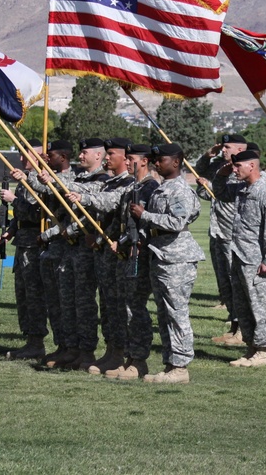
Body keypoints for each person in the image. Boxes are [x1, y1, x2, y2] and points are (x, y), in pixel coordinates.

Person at [201, 149, 266, 367]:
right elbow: (219, 193)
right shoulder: (241, 189)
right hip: (239, 255)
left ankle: (264, 351)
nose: (234, 170)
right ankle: (251, 348)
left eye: (238, 166)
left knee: (259, 306)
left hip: (256, 261)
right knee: (242, 305)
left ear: (252, 166)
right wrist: (221, 173)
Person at [133, 144, 204, 384]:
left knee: (176, 313)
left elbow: (176, 222)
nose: (156, 163)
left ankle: (180, 366)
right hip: (161, 254)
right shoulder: (162, 188)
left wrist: (145, 215)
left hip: (177, 258)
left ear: (176, 162)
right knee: (164, 314)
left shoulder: (179, 190)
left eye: (161, 159)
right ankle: (170, 364)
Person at [67, 138, 135, 375]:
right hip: (104, 251)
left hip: (120, 252)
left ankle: (124, 355)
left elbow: (110, 205)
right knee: (107, 306)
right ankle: (111, 352)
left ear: (126, 158)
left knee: (120, 306)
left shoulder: (129, 184)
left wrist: (83, 198)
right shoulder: (112, 182)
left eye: (111, 154)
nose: (107, 158)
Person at [55, 138, 110, 371]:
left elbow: (92, 211)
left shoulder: (102, 180)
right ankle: (72, 348)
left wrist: (73, 229)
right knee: (69, 301)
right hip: (71, 248)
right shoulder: (79, 176)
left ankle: (87, 351)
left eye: (84, 152)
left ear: (98, 155)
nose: (80, 156)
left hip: (87, 247)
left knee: (85, 302)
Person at [107, 143, 160, 381]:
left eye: (131, 159)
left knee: (135, 309)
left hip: (139, 256)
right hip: (125, 255)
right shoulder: (132, 188)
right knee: (123, 308)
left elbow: (148, 226)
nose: (126, 162)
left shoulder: (151, 188)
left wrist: (128, 242)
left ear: (144, 161)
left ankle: (139, 360)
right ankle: (127, 357)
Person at [23, 140, 77, 367]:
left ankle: (71, 348)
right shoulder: (53, 174)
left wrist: (34, 173)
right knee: (54, 303)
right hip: (51, 246)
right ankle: (61, 346)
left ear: (63, 157)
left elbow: (45, 187)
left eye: (51, 155)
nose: (47, 158)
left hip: (62, 244)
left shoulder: (69, 178)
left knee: (66, 302)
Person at [195, 133, 248, 344]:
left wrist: (209, 184)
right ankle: (233, 325)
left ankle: (242, 329)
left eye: (228, 147)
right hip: (217, 231)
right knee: (224, 281)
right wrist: (207, 156)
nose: (224, 150)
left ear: (240, 150)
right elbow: (200, 172)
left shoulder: (239, 172)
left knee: (237, 282)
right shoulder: (218, 166)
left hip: (232, 233)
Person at [1, 139, 47, 361]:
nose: (21, 159)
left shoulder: (42, 180)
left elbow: (39, 213)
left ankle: (37, 342)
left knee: (34, 295)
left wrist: (14, 200)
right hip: (22, 243)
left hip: (35, 246)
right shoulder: (23, 180)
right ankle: (30, 339)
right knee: (23, 296)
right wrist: (10, 230)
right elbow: (20, 215)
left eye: (26, 154)